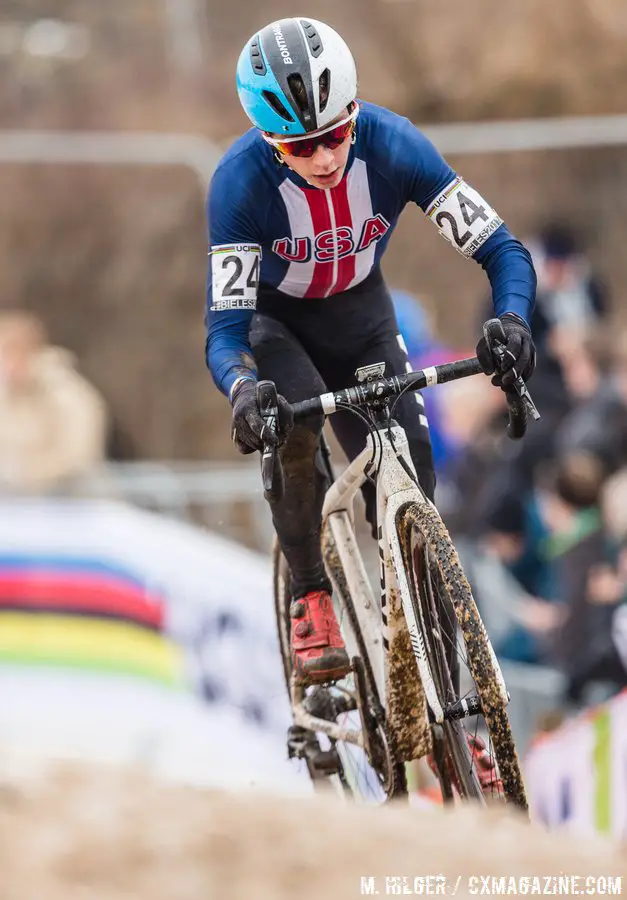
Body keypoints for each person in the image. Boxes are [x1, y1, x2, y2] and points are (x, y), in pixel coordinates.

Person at [205, 18, 536, 786]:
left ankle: (456, 696)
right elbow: (224, 330)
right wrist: (241, 387)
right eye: (299, 146)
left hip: (362, 319)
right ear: (267, 141)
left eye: (334, 135)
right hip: (275, 325)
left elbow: (502, 250)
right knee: (292, 432)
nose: (322, 158)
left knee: (415, 482)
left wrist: (511, 321)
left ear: (355, 114)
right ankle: (311, 594)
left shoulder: (393, 144)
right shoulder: (238, 183)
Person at [0, 311, 108, 493]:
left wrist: (26, 475)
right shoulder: (6, 396)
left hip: (72, 501)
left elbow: (79, 456)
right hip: (16, 504)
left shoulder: (69, 393)